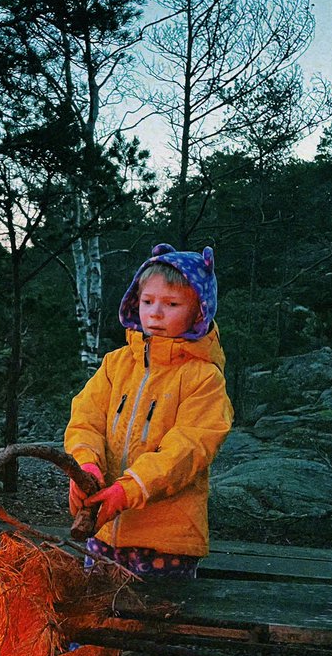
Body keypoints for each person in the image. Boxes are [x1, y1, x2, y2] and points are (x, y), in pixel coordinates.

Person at [64, 243, 233, 580]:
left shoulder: (203, 378)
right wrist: (85, 466)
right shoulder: (116, 364)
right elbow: (86, 419)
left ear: (199, 312)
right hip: (102, 532)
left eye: (171, 304)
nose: (155, 313)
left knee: (154, 623)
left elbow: (188, 450)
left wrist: (131, 488)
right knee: (96, 615)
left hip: (165, 541)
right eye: (147, 301)